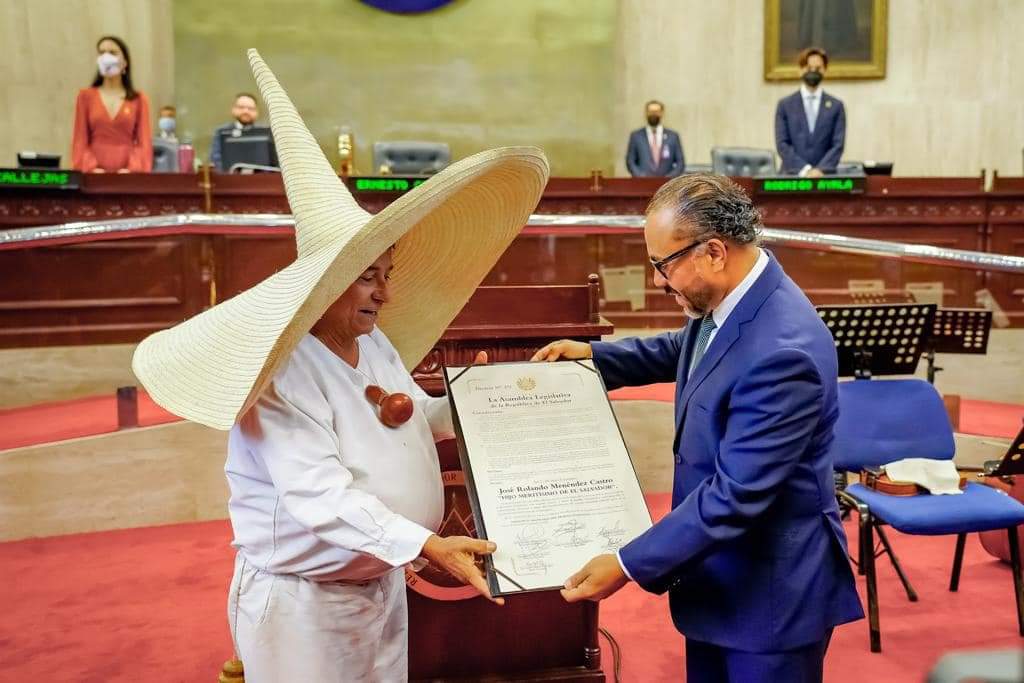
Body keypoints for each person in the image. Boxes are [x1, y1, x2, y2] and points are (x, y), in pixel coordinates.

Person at [132, 49, 550, 682]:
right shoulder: (280, 374)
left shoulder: (371, 343)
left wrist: (474, 401)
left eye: (387, 275)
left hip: (379, 584)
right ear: (323, 287)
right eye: (367, 278)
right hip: (304, 605)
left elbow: (412, 415)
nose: (385, 293)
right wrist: (426, 544)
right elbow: (318, 497)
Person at [532, 174, 863, 683]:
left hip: (770, 600)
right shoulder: (737, 295)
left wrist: (626, 563)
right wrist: (595, 358)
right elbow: (689, 348)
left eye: (663, 265)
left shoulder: (784, 353)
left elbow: (735, 496)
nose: (658, 282)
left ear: (713, 252)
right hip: (716, 576)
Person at [71, 36, 152, 173]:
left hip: (128, 173)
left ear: (125, 62)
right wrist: (91, 168)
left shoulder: (139, 99)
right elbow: (80, 140)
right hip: (94, 173)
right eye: (101, 53)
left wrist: (132, 169)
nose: (106, 57)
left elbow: (144, 143)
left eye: (112, 52)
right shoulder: (85, 97)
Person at [774, 47, 846, 177]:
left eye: (818, 68)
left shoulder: (836, 106)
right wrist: (806, 170)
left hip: (825, 178)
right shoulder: (785, 105)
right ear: (800, 70)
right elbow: (782, 144)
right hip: (791, 177)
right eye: (808, 67)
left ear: (825, 70)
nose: (813, 71)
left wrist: (819, 170)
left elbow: (838, 145)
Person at [626, 100, 685, 177]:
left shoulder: (673, 136)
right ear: (646, 113)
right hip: (642, 182)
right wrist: (641, 177)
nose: (653, 114)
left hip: (667, 182)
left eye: (656, 111)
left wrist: (669, 178)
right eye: (650, 111)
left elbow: (680, 163)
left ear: (662, 113)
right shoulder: (636, 136)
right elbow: (630, 162)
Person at [209, 92, 260, 171]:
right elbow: (215, 159)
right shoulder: (221, 132)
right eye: (241, 107)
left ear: (256, 112)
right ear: (233, 109)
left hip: (260, 177)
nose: (245, 111)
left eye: (250, 108)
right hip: (229, 176)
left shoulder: (265, 132)